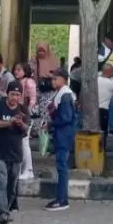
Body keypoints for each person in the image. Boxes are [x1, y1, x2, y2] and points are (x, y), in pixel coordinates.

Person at [0, 80, 28, 224]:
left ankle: (6, 207)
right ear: (7, 93)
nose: (15, 98)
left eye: (18, 95)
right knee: (1, 181)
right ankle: (3, 214)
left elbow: (26, 129)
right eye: (12, 94)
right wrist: (9, 122)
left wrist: (20, 124)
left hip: (15, 153)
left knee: (12, 185)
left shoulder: (23, 110)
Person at [45, 67, 76, 211]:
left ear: (63, 79)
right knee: (60, 166)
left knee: (62, 167)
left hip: (64, 135)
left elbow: (66, 118)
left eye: (55, 78)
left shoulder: (65, 95)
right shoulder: (61, 94)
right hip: (61, 134)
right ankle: (60, 197)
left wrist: (51, 124)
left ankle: (62, 199)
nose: (53, 81)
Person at [13, 62, 36, 181]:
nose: (16, 71)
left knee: (24, 142)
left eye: (19, 69)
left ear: (25, 71)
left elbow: (33, 99)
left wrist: (27, 112)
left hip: (25, 115)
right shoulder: (18, 82)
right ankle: (23, 168)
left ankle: (29, 169)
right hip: (18, 113)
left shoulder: (29, 82)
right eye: (16, 69)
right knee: (21, 142)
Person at [97, 62, 113, 147]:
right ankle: (102, 150)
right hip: (103, 110)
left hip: (91, 109)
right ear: (110, 72)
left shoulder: (95, 79)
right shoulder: (112, 84)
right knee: (103, 132)